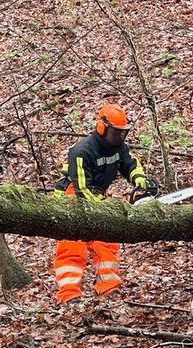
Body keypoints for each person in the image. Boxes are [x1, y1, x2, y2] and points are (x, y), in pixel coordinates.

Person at [52, 103, 149, 304]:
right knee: (73, 246)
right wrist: (105, 208)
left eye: (123, 133)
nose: (119, 138)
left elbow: (130, 164)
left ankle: (108, 286)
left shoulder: (119, 148)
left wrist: (139, 179)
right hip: (71, 198)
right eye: (115, 133)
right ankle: (69, 294)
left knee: (105, 241)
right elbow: (81, 188)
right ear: (103, 126)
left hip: (97, 195)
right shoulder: (81, 151)